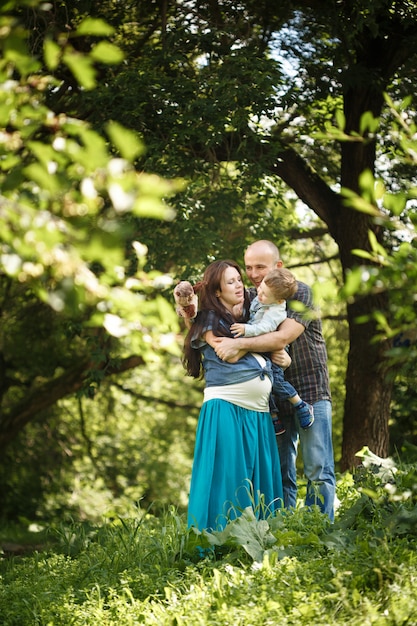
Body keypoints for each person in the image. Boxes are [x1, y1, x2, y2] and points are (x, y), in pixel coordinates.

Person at [212, 241, 336, 521]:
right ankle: (284, 527)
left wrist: (240, 345)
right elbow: (215, 310)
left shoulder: (300, 291)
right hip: (271, 397)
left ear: (277, 267)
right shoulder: (252, 296)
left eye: (260, 267)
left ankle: (320, 529)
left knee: (317, 466)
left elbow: (282, 337)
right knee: (280, 471)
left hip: (309, 389)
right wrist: (189, 306)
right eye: (248, 268)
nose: (253, 274)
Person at [182, 259, 283, 531]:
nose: (239, 285)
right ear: (217, 292)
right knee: (227, 477)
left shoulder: (250, 316)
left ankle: (260, 540)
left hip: (260, 411)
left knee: (259, 479)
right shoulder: (207, 320)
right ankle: (216, 543)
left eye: (239, 279)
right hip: (228, 405)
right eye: (231, 282)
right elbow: (223, 347)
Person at [230, 267, 314, 436]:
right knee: (259, 380)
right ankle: (274, 415)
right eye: (260, 288)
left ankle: (300, 405)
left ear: (278, 300)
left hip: (271, 349)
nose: (259, 294)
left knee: (275, 380)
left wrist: (245, 330)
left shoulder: (275, 310)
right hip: (260, 349)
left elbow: (265, 327)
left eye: (264, 295)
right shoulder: (262, 297)